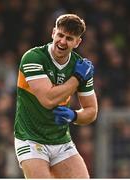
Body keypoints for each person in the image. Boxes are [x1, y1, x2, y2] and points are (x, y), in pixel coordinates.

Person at [14, 13, 98, 178]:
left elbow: (91, 111)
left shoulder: (79, 65)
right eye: (60, 35)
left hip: (61, 141)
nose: (62, 41)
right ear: (53, 33)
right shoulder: (33, 58)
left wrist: (74, 115)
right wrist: (77, 78)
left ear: (77, 42)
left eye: (69, 38)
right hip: (30, 139)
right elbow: (48, 99)